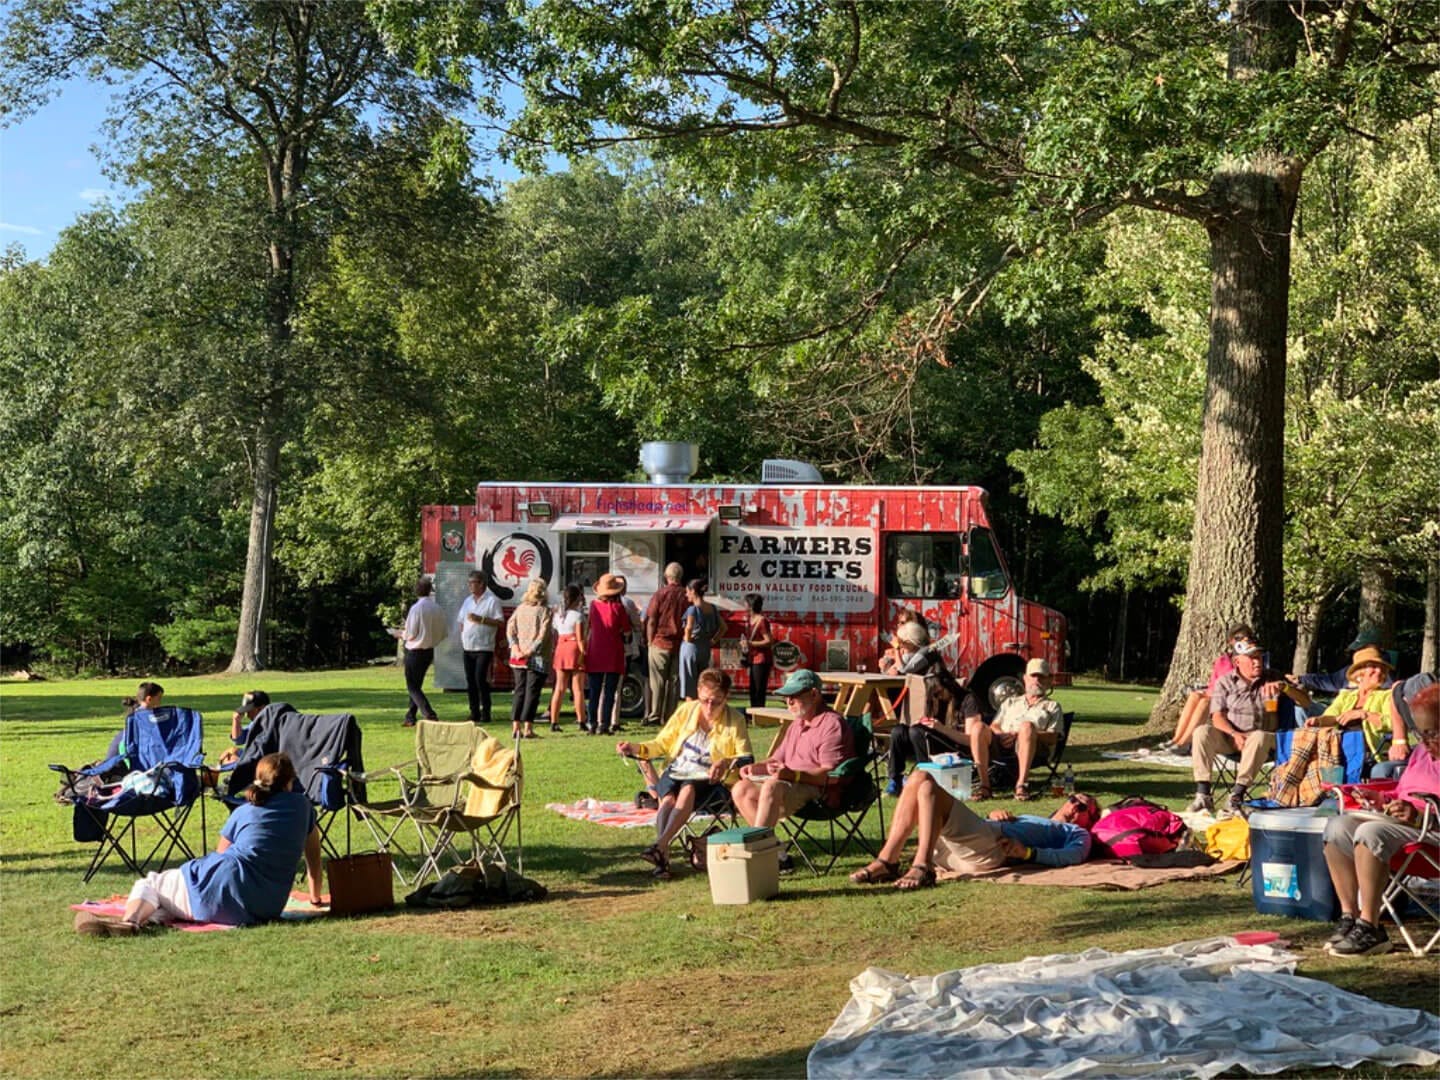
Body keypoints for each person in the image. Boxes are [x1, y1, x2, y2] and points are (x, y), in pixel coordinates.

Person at [75, 752, 323, 936]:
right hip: (265, 906)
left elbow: (221, 854)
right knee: (168, 901)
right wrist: (315, 899)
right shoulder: (304, 808)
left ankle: (130, 922)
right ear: (290, 781)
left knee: (150, 883)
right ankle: (146, 921)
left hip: (217, 893)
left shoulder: (244, 812)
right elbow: (314, 860)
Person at [1321, 683, 1440, 957]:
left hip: (1431, 837)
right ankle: (1349, 918)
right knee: (1337, 827)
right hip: (1407, 832)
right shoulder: (1423, 751)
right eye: (1419, 733)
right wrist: (1384, 801)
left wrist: (1421, 816)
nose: (1423, 741)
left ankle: (1371, 926)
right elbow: (1405, 791)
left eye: (1432, 732)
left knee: (1371, 832)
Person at [616, 668, 753, 880]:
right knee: (668, 799)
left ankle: (660, 848)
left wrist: (725, 763)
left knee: (688, 787)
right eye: (705, 700)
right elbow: (661, 744)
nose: (709, 707)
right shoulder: (686, 711)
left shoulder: (735, 719)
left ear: (727, 697)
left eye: (716, 702)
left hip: (712, 781)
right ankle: (662, 854)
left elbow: (746, 758)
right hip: (678, 769)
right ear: (698, 692)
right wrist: (635, 748)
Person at [850, 774, 1098, 890]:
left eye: (1084, 806)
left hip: (989, 849)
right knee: (918, 780)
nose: (1075, 805)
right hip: (961, 849)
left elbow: (1072, 856)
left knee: (926, 785)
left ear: (1090, 818)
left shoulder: (1077, 833)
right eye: (1074, 799)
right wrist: (993, 814)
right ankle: (887, 861)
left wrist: (1028, 854)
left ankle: (918, 865)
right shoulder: (1036, 819)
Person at [731, 669, 853, 828]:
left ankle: (762, 847)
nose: (789, 702)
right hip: (788, 782)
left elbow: (831, 775)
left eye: (794, 696)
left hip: (818, 790)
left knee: (771, 787)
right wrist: (757, 767)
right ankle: (770, 847)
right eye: (786, 697)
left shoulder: (832, 724)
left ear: (814, 695)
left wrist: (793, 775)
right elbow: (777, 759)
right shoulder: (797, 724)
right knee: (741, 788)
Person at [1188, 638, 1286, 813]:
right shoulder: (1225, 682)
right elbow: (1217, 716)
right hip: (1232, 738)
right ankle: (1203, 795)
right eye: (1252, 658)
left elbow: (1305, 700)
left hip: (1266, 741)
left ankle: (1237, 796)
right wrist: (1234, 734)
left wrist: (1285, 687)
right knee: (1202, 731)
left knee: (1259, 736)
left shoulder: (1273, 677)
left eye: (1259, 657)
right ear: (1237, 662)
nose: (1257, 662)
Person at [885, 652, 980, 798]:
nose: (937, 697)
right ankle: (895, 779)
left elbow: (970, 740)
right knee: (899, 731)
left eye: (939, 692)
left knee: (916, 732)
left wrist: (941, 728)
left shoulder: (968, 700)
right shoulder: (935, 700)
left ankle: (926, 779)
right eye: (933, 694)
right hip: (931, 742)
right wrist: (924, 722)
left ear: (948, 685)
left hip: (956, 750)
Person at [972, 658, 1064, 802]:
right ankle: (985, 786)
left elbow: (1053, 737)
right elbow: (995, 725)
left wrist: (1024, 733)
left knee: (1027, 727)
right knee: (978, 727)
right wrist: (1001, 735)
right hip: (1001, 745)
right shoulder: (1010, 702)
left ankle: (1021, 785)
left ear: (1049, 680)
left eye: (1041, 676)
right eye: (1033, 676)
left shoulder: (1052, 706)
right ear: (1025, 678)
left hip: (1034, 748)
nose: (1037, 680)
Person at [1158, 624, 1254, 754]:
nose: (1242, 640)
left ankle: (1185, 743)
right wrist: (1209, 693)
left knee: (1205, 702)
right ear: (1230, 641)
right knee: (1195, 696)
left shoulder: (1249, 660)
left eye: (1245, 638)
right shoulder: (1222, 661)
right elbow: (1213, 684)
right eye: (1237, 638)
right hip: (1218, 694)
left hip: (1233, 700)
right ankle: (1176, 739)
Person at [1304, 646, 1402, 767]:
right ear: (1360, 672)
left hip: (1370, 755)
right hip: (1340, 752)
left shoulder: (1386, 696)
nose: (1379, 671)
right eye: (1374, 667)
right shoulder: (1346, 695)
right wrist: (1318, 721)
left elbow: (1394, 723)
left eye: (1382, 668)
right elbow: (1332, 717)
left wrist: (1364, 714)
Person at [391, 577, 448, 727]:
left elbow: (410, 633)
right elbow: (443, 632)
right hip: (429, 650)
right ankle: (410, 716)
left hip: (415, 650)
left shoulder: (417, 608)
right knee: (416, 684)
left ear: (417, 590)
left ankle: (429, 713)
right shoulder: (437, 608)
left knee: (412, 686)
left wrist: (399, 634)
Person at [456, 570, 504, 725]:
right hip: (468, 646)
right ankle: (474, 712)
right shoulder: (467, 601)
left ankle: (486, 711)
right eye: (469, 582)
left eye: (473, 582)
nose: (470, 585)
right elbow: (461, 621)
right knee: (470, 681)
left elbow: (499, 622)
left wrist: (481, 620)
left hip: (484, 646)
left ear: (482, 583)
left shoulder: (492, 601)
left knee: (480, 679)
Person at [644, 562, 689, 726]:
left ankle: (655, 715)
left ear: (666, 576)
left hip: (659, 641)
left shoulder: (659, 594)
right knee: (674, 682)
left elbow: (652, 619)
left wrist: (649, 641)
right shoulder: (686, 595)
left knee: (657, 682)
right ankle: (670, 717)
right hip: (679, 644)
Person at [585, 573, 629, 736]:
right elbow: (626, 630)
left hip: (595, 651)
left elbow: (589, 625)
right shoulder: (618, 608)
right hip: (613, 652)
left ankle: (592, 723)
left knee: (594, 691)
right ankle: (604, 724)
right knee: (610, 691)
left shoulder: (593, 606)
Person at [1290, 628, 1396, 696]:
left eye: (1360, 648)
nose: (1356, 651)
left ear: (1373, 647)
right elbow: (1331, 680)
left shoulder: (1385, 672)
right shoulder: (1353, 670)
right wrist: (1301, 679)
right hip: (1343, 713)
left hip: (1366, 716)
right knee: (1301, 708)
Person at [1376, 672, 1440, 781]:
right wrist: (1399, 740)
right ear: (1406, 700)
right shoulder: (1401, 695)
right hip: (1422, 754)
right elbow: (1395, 690)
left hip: (1433, 760)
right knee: (1381, 770)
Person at [549, 584, 588, 732]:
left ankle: (554, 721)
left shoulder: (558, 615)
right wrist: (583, 653)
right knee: (577, 688)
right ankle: (581, 720)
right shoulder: (578, 616)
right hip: (574, 648)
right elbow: (580, 637)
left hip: (561, 647)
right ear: (577, 598)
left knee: (559, 687)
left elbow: (555, 631)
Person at [678, 579, 720, 701]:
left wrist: (687, 638)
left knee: (689, 685)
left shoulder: (692, 609)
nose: (686, 595)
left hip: (691, 648)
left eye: (687, 592)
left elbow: (689, 627)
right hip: (705, 647)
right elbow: (723, 627)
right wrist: (713, 640)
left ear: (693, 591)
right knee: (702, 683)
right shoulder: (712, 608)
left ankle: (691, 712)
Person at [741, 593, 774, 710]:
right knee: (753, 689)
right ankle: (754, 713)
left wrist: (751, 644)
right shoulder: (750, 620)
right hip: (753, 658)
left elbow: (769, 641)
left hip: (761, 659)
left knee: (759, 689)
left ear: (750, 605)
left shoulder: (762, 621)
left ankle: (760, 715)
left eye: (745, 603)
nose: (743, 605)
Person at [878, 609, 924, 674]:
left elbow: (900, 671)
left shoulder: (914, 647)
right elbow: (890, 671)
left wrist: (897, 649)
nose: (898, 625)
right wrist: (885, 664)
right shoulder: (903, 647)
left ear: (912, 624)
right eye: (898, 622)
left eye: (902, 623)